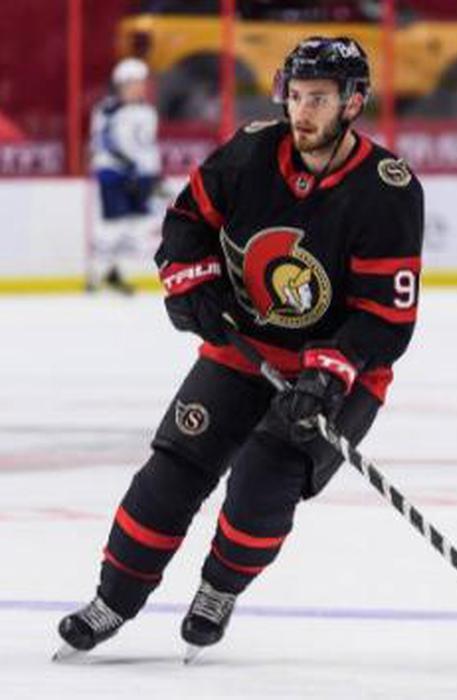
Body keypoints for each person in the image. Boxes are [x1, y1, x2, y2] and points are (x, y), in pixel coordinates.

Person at [55, 36, 424, 660]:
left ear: (353, 103)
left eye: (319, 98)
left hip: (339, 371)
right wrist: (190, 282)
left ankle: (218, 590)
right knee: (172, 471)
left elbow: (385, 318)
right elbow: (187, 222)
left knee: (262, 484)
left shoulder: (388, 190)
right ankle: (112, 600)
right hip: (242, 346)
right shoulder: (252, 152)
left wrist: (328, 374)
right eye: (296, 96)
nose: (302, 111)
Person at [87, 57, 163, 294]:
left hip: (140, 176)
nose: (139, 87)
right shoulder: (107, 111)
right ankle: (96, 275)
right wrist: (129, 168)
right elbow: (104, 143)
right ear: (120, 85)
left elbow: (148, 147)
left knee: (136, 226)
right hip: (114, 174)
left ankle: (115, 272)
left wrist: (154, 175)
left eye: (141, 82)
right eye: (133, 82)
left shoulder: (148, 112)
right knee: (113, 224)